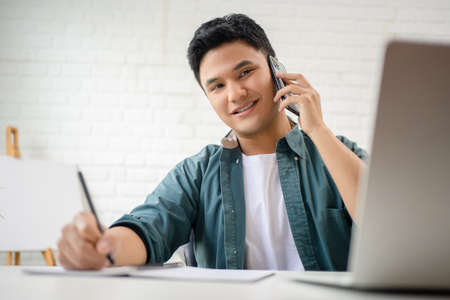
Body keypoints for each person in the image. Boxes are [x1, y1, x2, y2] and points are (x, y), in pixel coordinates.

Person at [57, 13, 368, 271]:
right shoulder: (198, 172)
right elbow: (149, 226)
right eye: (217, 86)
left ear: (277, 71)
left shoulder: (339, 152)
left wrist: (318, 130)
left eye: (245, 72)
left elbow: (388, 228)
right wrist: (105, 248)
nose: (234, 94)